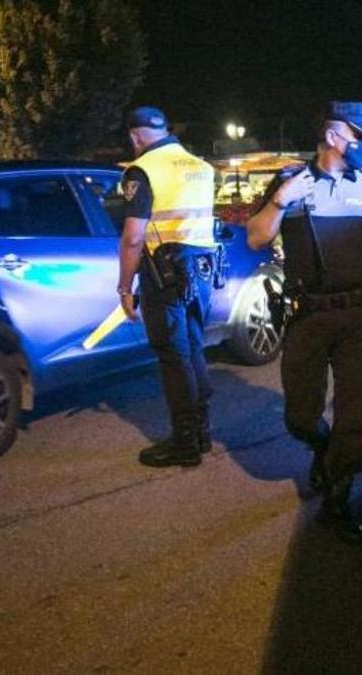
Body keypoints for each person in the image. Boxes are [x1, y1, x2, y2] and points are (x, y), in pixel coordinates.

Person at [246, 101, 362, 543]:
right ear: (334, 134)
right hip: (307, 318)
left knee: (355, 413)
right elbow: (257, 236)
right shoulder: (288, 182)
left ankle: (338, 497)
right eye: (359, 137)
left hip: (360, 316)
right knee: (300, 416)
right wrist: (281, 202)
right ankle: (323, 447)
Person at [116, 106, 218, 468]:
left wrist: (125, 288)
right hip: (201, 274)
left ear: (135, 136)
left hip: (165, 276)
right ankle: (202, 434)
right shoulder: (201, 167)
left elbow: (132, 238)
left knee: (173, 358)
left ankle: (185, 443)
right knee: (193, 351)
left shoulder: (142, 170)